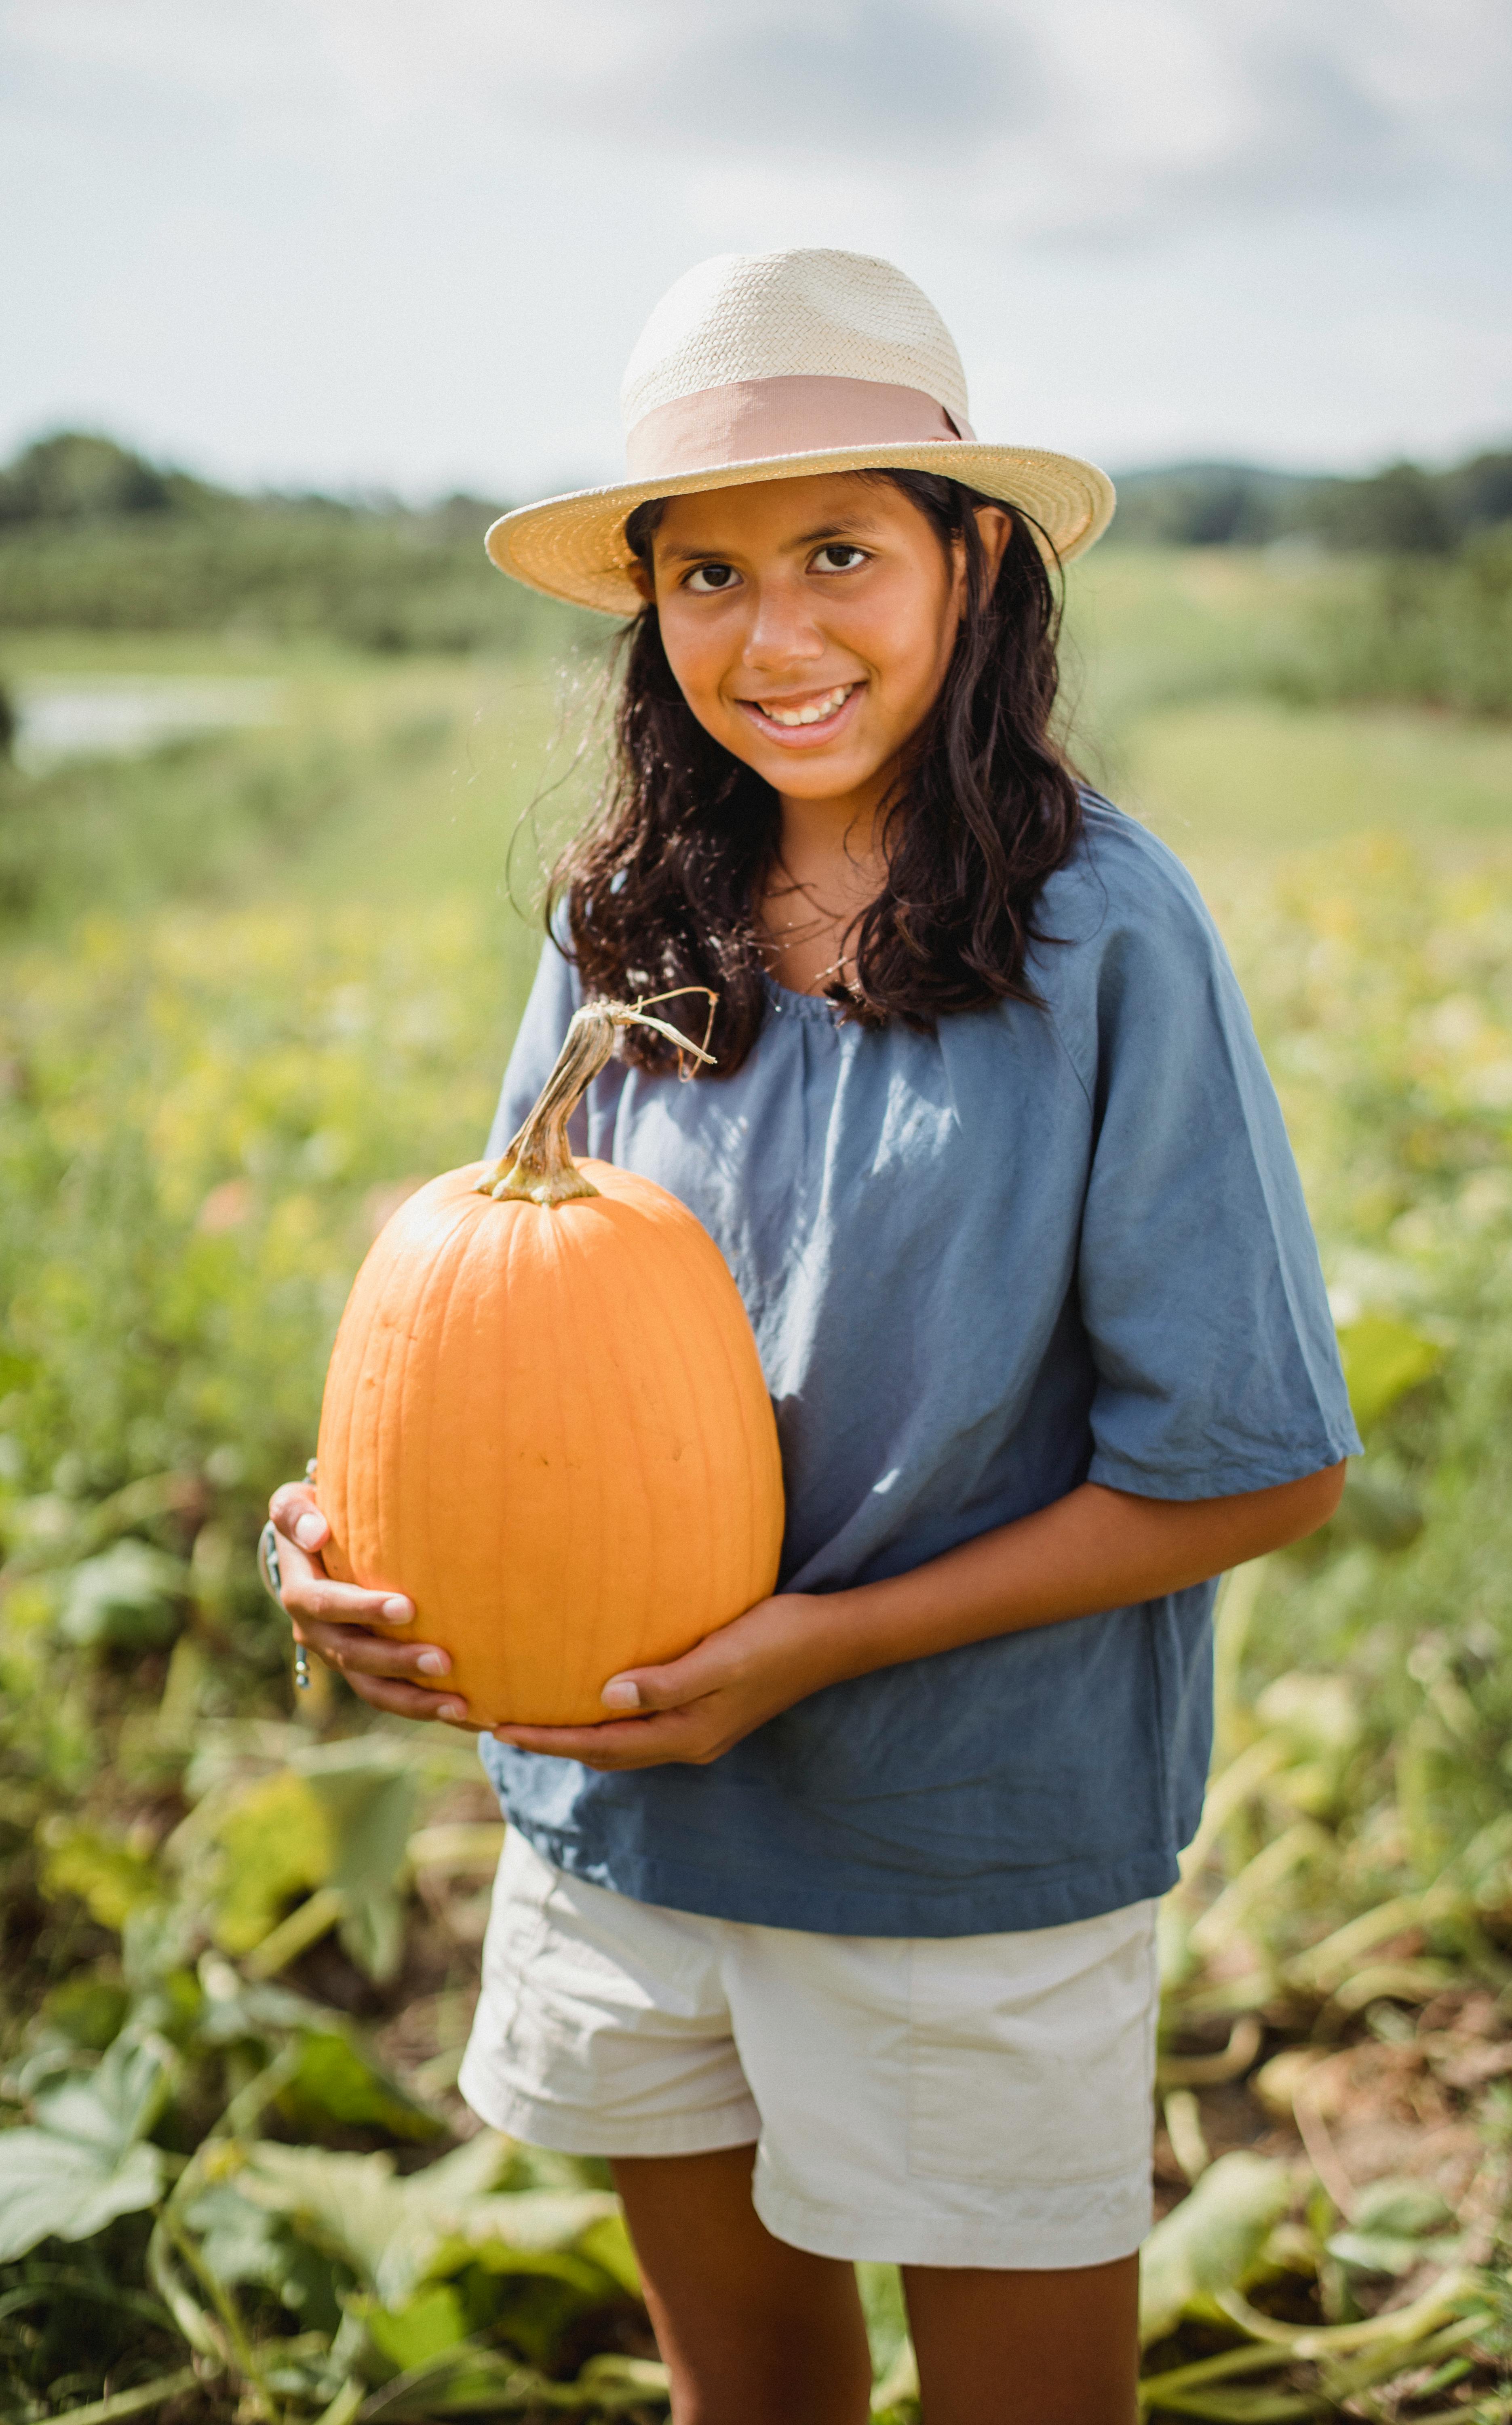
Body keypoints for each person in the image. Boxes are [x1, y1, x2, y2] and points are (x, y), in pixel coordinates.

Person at [267, 249, 1358, 2425]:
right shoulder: (623, 922)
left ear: (973, 562)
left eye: (841, 552)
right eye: (708, 575)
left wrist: (819, 1647)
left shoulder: (1103, 934)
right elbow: (494, 1331)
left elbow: (1258, 1460)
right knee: (746, 2395)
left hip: (960, 1837)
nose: (775, 639)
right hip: (629, 1819)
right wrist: (346, 1544)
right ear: (649, 611)